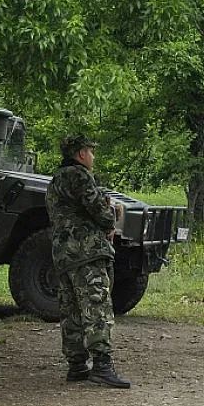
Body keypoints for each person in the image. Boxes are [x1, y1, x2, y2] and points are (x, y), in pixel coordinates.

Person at [46, 133, 130, 388]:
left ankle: (77, 365)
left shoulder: (56, 179)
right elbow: (101, 212)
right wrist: (112, 216)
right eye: (90, 151)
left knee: (71, 308)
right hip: (86, 252)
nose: (93, 156)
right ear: (81, 154)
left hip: (64, 253)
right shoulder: (80, 175)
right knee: (96, 305)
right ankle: (102, 365)